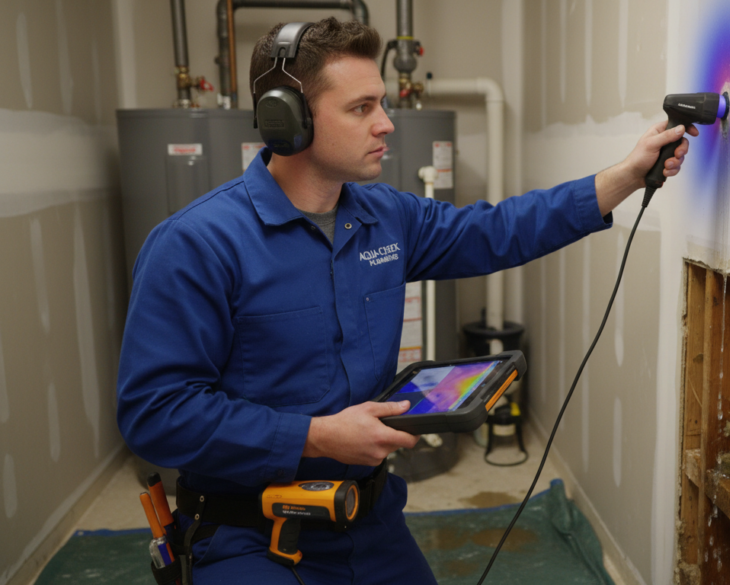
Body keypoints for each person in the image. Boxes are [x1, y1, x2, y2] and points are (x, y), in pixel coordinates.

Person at [116, 17, 696, 585]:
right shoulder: (196, 244)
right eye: (361, 107)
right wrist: (313, 435)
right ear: (285, 119)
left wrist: (626, 175)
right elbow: (154, 413)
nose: (386, 123)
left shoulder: (386, 216)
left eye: (383, 103)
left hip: (368, 519)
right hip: (250, 535)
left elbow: (497, 230)